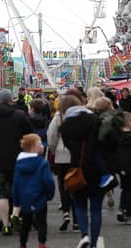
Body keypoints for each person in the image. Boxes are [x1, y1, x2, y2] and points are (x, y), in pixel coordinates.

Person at [0, 88, 33, 235]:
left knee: (1, 193)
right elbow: (30, 134)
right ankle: (15, 215)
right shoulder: (20, 115)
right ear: (11, 100)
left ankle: (6, 224)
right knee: (19, 189)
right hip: (19, 159)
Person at [60, 94, 106, 248]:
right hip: (96, 168)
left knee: (79, 204)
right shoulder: (95, 120)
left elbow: (69, 147)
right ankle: (93, 243)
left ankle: (84, 234)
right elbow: (106, 141)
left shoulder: (65, 127)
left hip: (76, 168)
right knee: (96, 207)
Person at [12, 133, 55, 248]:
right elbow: (48, 181)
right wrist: (49, 194)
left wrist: (16, 201)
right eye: (39, 144)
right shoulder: (42, 163)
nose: (42, 146)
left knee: (25, 223)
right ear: (33, 147)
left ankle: (22, 244)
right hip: (39, 197)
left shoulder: (19, 164)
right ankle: (41, 243)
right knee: (42, 223)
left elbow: (16, 183)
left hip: (24, 199)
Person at [46, 98, 78, 232]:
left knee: (63, 185)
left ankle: (66, 214)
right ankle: (77, 219)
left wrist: (53, 150)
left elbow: (51, 135)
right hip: (76, 155)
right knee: (77, 186)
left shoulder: (59, 116)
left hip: (62, 154)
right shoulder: (80, 116)